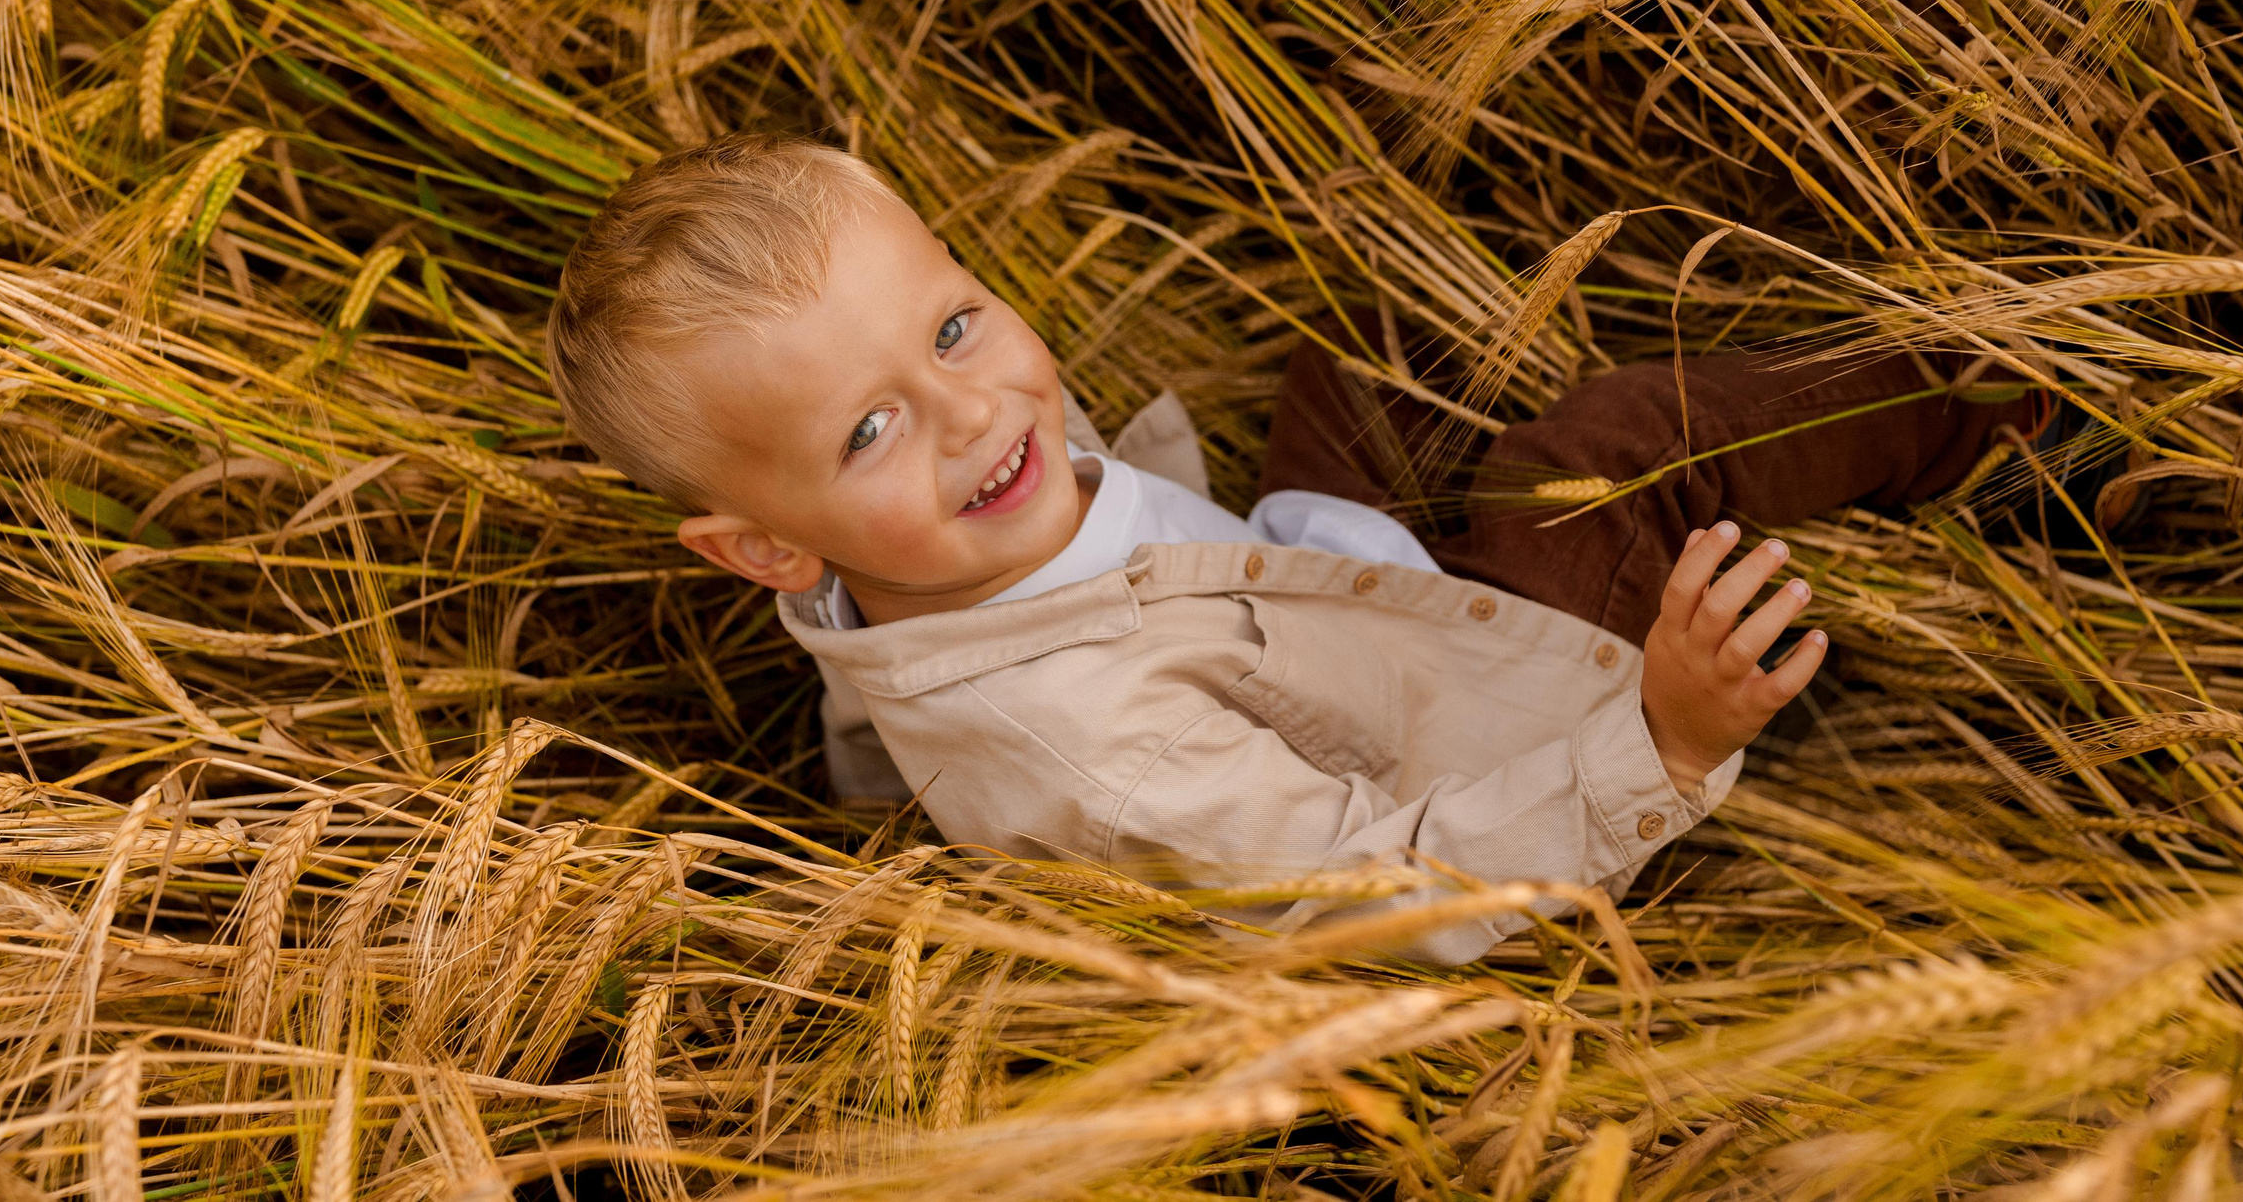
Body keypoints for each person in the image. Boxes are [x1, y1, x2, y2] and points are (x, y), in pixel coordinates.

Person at [545, 134, 2034, 963]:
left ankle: (1679, 204)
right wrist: (1665, 735)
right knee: (1587, 460)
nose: (972, 410)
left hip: (1314, 579)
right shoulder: (1092, 750)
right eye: (868, 432)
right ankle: (2021, 414)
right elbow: (1379, 898)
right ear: (760, 551)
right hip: (1506, 752)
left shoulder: (908, 566)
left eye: (953, 325)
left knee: (1364, 334)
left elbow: (877, 744)